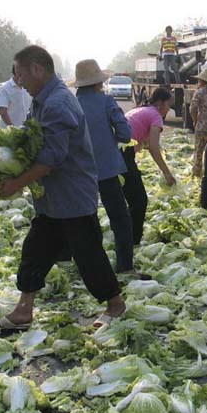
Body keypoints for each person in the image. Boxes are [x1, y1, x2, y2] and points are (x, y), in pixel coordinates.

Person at [0, 45, 125, 331]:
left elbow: (51, 159)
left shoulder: (57, 103)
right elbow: (29, 138)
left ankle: (116, 304)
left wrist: (16, 182)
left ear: (37, 70)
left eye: (20, 74)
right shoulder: (42, 99)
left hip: (72, 196)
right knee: (35, 251)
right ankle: (24, 309)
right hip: (53, 199)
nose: (19, 82)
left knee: (88, 254)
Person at [73, 59, 149, 280]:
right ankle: (125, 267)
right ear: (98, 83)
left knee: (84, 219)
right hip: (106, 168)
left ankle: (85, 266)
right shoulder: (106, 102)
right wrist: (109, 139)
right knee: (120, 219)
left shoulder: (71, 103)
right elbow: (126, 134)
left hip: (79, 171)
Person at [124, 88, 177, 244]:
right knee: (139, 200)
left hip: (116, 151)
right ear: (160, 103)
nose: (169, 109)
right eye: (169, 104)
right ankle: (132, 241)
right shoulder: (155, 115)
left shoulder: (141, 110)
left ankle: (125, 235)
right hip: (123, 153)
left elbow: (142, 142)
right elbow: (154, 147)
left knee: (127, 197)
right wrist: (167, 173)